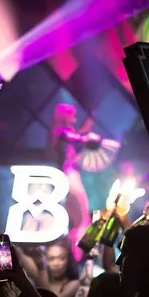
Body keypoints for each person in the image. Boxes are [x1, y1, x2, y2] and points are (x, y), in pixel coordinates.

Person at [51, 103, 102, 260]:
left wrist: (87, 127)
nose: (74, 120)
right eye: (72, 117)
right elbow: (75, 137)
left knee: (79, 221)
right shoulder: (61, 134)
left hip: (67, 179)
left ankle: (77, 255)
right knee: (82, 221)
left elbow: (77, 135)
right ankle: (79, 256)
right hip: (69, 179)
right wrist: (87, 138)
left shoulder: (61, 134)